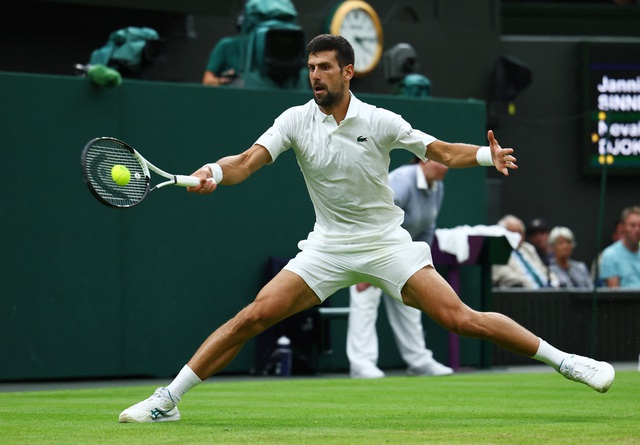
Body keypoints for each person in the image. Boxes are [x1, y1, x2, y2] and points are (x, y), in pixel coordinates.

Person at [118, 34, 615, 423]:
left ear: (347, 72)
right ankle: (169, 399)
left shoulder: (379, 120)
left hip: (385, 244)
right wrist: (215, 172)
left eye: (325, 68)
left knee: (460, 318)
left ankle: (570, 362)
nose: (315, 76)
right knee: (253, 317)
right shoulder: (294, 120)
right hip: (327, 247)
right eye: (311, 68)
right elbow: (248, 161)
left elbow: (439, 151)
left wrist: (488, 155)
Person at [347, 158, 453, 379]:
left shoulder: (438, 187)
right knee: (365, 300)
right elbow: (376, 218)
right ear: (422, 161)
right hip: (368, 245)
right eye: (440, 161)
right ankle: (361, 364)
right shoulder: (402, 181)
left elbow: (427, 227)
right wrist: (369, 263)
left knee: (410, 305)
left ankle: (419, 362)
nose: (446, 166)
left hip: (399, 254)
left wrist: (421, 265)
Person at [492, 215, 558, 289]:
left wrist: (553, 282)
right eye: (512, 232)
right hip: (522, 294)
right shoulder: (498, 251)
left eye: (520, 232)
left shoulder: (528, 248)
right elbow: (506, 277)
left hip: (547, 291)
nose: (517, 236)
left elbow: (543, 269)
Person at [599, 205, 640, 288]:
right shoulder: (610, 255)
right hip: (627, 300)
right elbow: (614, 294)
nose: (637, 230)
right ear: (623, 227)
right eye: (632, 225)